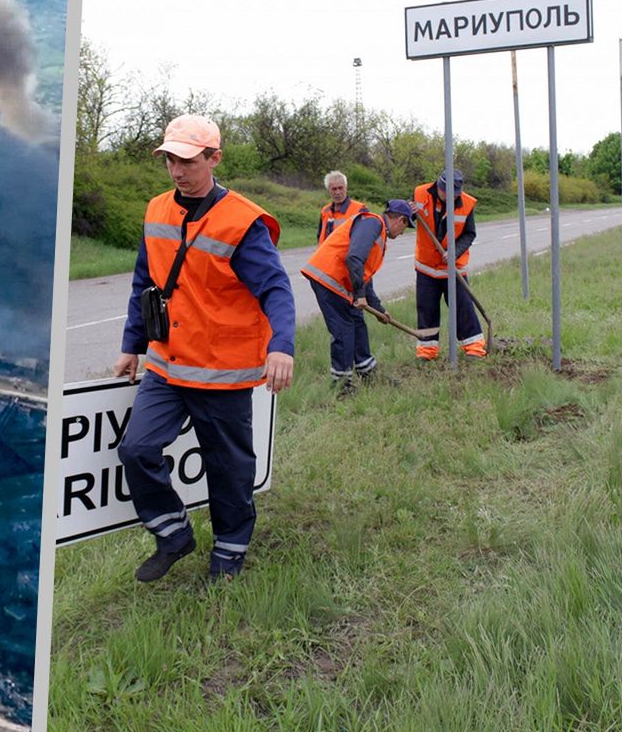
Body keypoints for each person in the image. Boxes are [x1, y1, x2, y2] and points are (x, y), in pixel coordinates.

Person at [111, 114, 296, 583]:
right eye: (171, 159)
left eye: (188, 161)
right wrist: (132, 344)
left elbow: (275, 288)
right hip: (167, 365)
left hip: (223, 371)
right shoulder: (157, 210)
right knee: (135, 448)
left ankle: (228, 556)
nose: (177, 171)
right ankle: (173, 533)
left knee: (228, 469)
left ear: (214, 158)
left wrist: (282, 345)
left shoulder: (242, 222)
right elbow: (144, 282)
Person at [301, 200, 414, 395]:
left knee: (357, 322)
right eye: (406, 226)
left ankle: (367, 372)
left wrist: (378, 309)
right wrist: (359, 295)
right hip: (328, 279)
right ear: (400, 220)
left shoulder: (378, 232)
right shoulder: (373, 223)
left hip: (337, 282)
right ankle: (341, 386)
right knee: (344, 329)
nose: (403, 232)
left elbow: (364, 276)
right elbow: (354, 257)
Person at [411, 169, 487, 359]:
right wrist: (408, 211)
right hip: (426, 267)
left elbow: (470, 233)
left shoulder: (466, 204)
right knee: (426, 309)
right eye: (445, 191)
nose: (448, 196)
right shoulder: (420, 193)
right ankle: (427, 351)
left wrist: (455, 251)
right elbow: (409, 218)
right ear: (439, 186)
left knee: (463, 307)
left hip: (453, 268)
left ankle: (474, 347)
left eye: (453, 194)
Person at [318, 170, 368, 244]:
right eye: (334, 189)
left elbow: (365, 238)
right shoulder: (325, 211)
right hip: (327, 254)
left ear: (346, 188)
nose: (338, 192)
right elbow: (320, 236)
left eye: (340, 188)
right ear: (329, 190)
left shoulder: (360, 209)